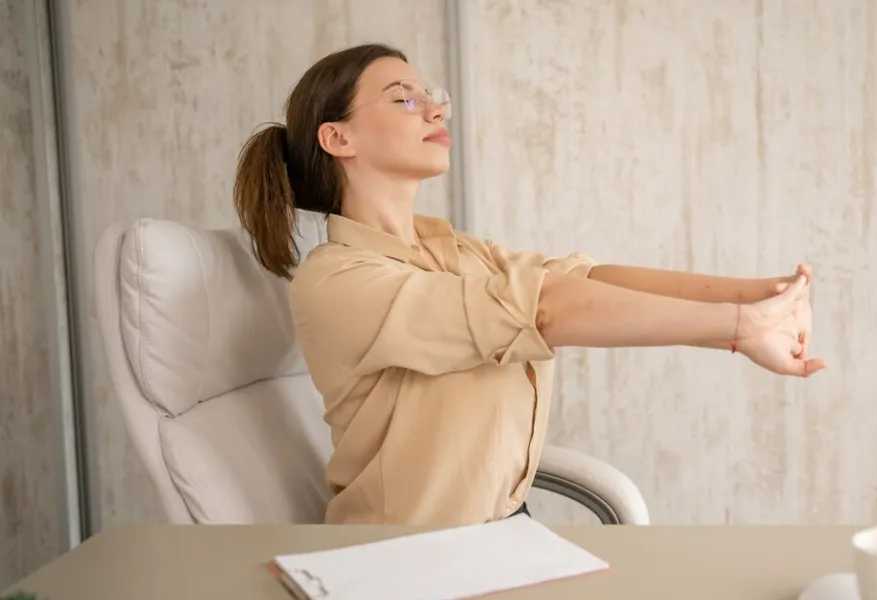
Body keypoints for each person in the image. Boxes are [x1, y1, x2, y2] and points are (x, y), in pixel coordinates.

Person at [233, 43, 825, 527]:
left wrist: (757, 297)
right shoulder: (339, 280)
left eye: (431, 97)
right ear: (338, 138)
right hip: (403, 564)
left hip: (503, 536)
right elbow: (541, 309)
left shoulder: (454, 249)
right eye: (405, 98)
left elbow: (582, 279)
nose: (436, 111)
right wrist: (739, 327)